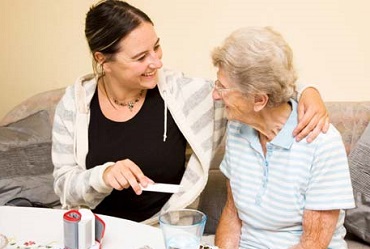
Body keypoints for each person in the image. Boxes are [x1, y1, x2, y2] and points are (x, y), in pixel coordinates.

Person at [52, 0, 329, 225]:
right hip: (92, 230)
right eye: (140, 57)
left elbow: (254, 87)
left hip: (162, 232)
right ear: (103, 60)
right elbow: (63, 186)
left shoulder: (185, 95)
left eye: (156, 47)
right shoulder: (74, 104)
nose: (157, 62)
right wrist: (104, 175)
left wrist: (307, 91)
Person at [212, 27, 355, 249]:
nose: (215, 95)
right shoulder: (237, 128)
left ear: (259, 100)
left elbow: (312, 243)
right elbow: (232, 214)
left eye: (222, 87)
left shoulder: (322, 143)